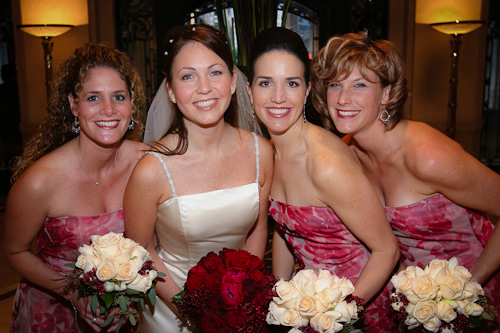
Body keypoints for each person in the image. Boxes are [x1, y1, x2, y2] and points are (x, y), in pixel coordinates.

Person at [311, 32, 500, 330]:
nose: (343, 98)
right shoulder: (348, 154)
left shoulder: (427, 156)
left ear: (386, 94)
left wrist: (470, 291)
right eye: (335, 85)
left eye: (360, 85)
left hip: (481, 296)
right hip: (418, 305)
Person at [246, 27, 400, 331]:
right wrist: (279, 295)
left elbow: (387, 250)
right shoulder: (269, 152)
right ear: (250, 91)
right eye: (266, 83)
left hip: (361, 306)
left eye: (291, 83)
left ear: (306, 90)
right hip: (309, 305)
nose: (278, 97)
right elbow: (286, 229)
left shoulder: (326, 164)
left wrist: (338, 316)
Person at [123, 24, 273, 332]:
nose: (204, 87)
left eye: (215, 72)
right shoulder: (152, 169)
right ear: (171, 91)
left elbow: (258, 228)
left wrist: (245, 293)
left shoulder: (261, 152)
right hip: (169, 309)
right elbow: (141, 251)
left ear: (233, 82)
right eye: (188, 76)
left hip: (238, 311)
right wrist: (191, 310)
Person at [3, 43, 145, 332]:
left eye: (119, 97)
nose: (108, 110)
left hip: (126, 314)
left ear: (132, 104)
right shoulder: (40, 181)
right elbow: (14, 251)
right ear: (73, 105)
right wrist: (70, 291)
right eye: (93, 97)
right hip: (51, 310)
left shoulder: (147, 164)